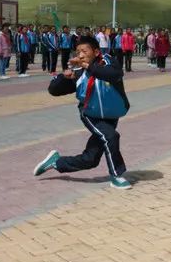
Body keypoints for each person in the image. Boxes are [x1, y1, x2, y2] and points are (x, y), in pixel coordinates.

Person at [33, 36, 132, 189]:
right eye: (78, 52)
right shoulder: (78, 71)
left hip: (111, 114)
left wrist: (87, 66)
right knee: (110, 136)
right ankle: (117, 175)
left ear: (96, 51)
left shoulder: (108, 61)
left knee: (90, 159)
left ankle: (56, 162)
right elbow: (54, 91)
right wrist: (64, 78)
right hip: (90, 114)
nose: (80, 55)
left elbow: (113, 74)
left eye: (84, 51)